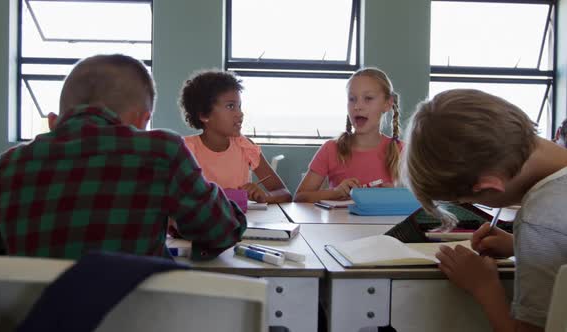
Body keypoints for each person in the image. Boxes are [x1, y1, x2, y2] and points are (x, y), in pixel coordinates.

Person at [0, 54, 246, 261]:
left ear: (53, 121)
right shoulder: (162, 150)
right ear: (143, 120)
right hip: (134, 318)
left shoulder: (10, 164)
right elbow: (220, 231)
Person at [401, 88, 567, 331]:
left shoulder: (540, 220)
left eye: (463, 200)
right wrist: (518, 244)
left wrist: (484, 287)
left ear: (489, 185)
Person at [179, 69, 292, 203]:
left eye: (239, 106)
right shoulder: (187, 150)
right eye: (230, 106)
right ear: (204, 115)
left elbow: (285, 193)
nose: (240, 114)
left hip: (238, 222)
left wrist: (265, 196)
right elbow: (175, 200)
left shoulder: (244, 145)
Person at [294, 67, 403, 203]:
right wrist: (335, 192)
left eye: (368, 98)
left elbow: (424, 201)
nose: (357, 106)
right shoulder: (331, 149)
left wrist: (398, 195)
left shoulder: (403, 152)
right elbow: (299, 198)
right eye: (352, 99)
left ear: (388, 104)